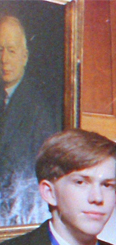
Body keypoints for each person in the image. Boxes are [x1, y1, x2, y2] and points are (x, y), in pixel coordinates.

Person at [0, 15, 59, 226]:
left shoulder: (38, 109)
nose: (4, 59)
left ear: (24, 56)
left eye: (11, 50)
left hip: (18, 219)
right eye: (0, 50)